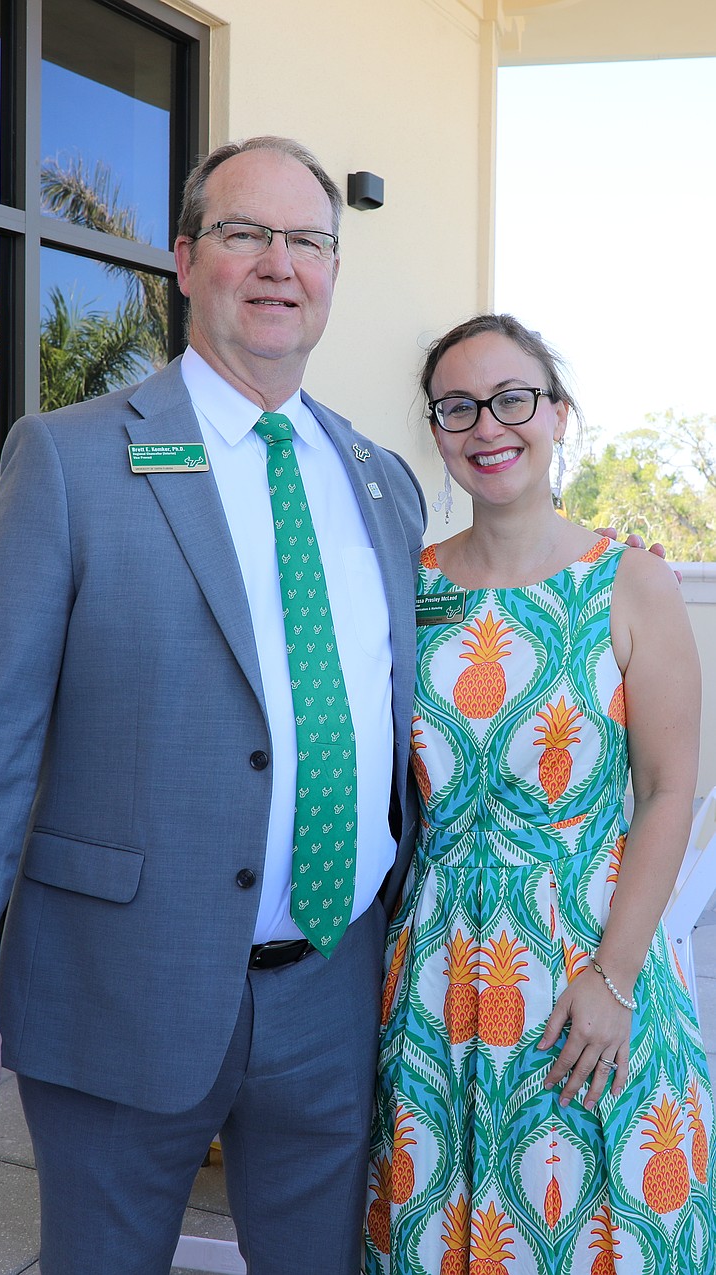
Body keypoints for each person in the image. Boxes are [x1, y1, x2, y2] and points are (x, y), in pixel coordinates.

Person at [0, 136, 427, 1275]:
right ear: (184, 260)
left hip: (335, 989)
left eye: (307, 240)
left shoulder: (381, 481)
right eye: (244, 233)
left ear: (333, 269)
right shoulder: (69, 460)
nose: (279, 263)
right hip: (120, 985)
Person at [364, 313, 716, 1274]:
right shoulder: (405, 589)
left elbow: (668, 791)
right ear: (436, 432)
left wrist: (613, 978)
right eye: (459, 406)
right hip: (437, 973)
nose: (488, 425)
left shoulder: (631, 580)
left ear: (558, 414)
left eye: (513, 398)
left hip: (591, 961)